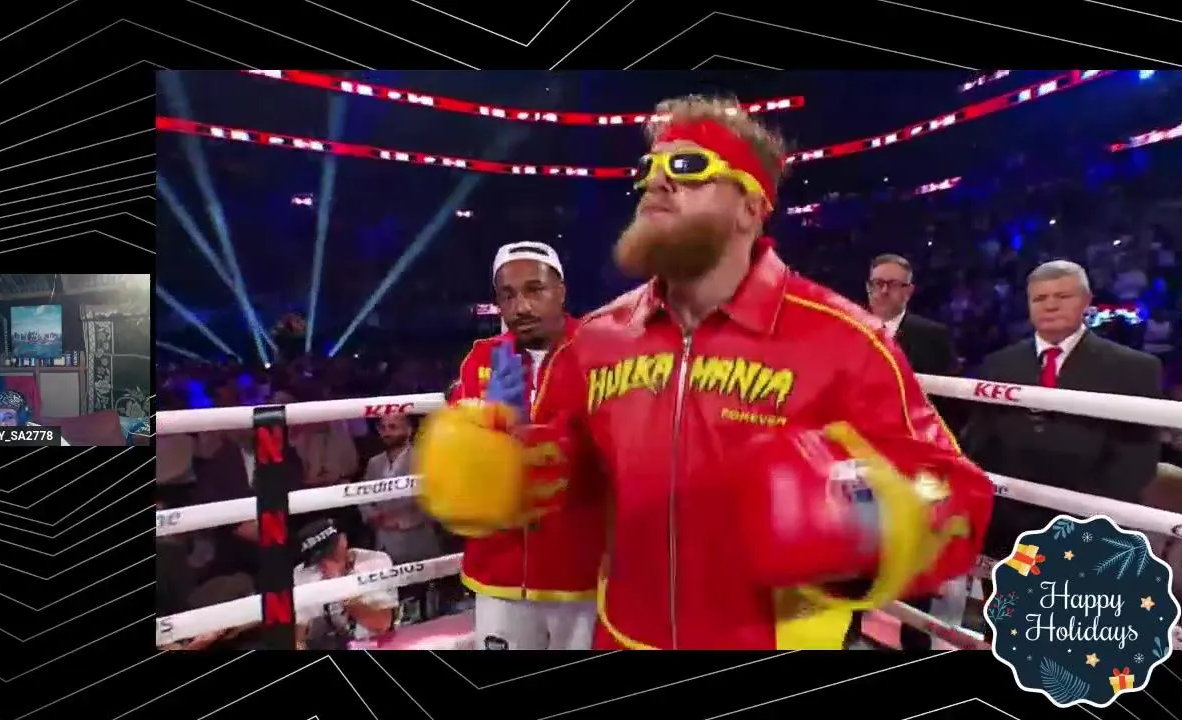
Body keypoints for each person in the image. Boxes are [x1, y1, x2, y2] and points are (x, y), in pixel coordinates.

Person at [416, 94, 993, 650]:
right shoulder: (598, 337)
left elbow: (957, 498)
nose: (656, 181)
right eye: (649, 168)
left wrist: (872, 520)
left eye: (688, 167)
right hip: (622, 638)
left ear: (751, 206)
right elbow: (576, 470)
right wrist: (510, 469)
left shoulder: (847, 340)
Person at [446, 241, 601, 650]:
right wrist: (486, 422)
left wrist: (536, 438)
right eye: (508, 295)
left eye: (535, 290)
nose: (521, 307)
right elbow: (458, 457)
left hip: (579, 570)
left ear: (561, 291)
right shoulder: (481, 359)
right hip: (499, 567)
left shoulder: (602, 351)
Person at [963, 260, 1164, 558]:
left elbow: (1137, 459)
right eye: (1039, 298)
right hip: (1007, 524)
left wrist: (1083, 517)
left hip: (1091, 529)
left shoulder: (1134, 368)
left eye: (1063, 296)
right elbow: (980, 442)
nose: (1050, 306)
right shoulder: (998, 364)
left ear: (1086, 301)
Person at [862, 253, 962, 650]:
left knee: (915, 562)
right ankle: (848, 632)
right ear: (868, 287)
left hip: (913, 464)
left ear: (909, 291)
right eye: (877, 283)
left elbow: (949, 405)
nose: (884, 291)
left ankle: (914, 642)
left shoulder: (931, 337)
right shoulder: (849, 325)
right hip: (858, 461)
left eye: (893, 284)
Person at [293, 519, 398, 649]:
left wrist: (340, 586)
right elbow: (298, 634)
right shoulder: (303, 575)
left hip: (374, 646)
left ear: (343, 541)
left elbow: (382, 624)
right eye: (318, 558)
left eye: (330, 554)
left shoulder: (374, 561)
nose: (325, 563)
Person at [359, 413, 440, 565]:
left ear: (409, 430)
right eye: (382, 427)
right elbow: (362, 498)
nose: (386, 432)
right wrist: (373, 516)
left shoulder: (424, 459)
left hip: (416, 544)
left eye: (393, 427)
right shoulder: (374, 463)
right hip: (383, 545)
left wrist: (412, 519)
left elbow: (439, 498)